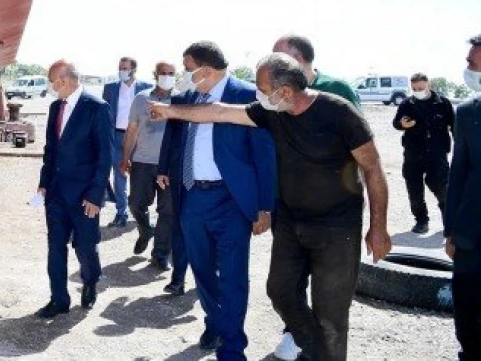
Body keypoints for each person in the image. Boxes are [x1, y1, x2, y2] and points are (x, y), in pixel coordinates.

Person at [153, 52, 392, 361]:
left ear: (285, 92)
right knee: (280, 292)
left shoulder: (339, 113)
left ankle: (326, 354)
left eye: (263, 89)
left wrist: (378, 226)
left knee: (331, 310)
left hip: (336, 228)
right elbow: (220, 112)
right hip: (291, 223)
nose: (258, 94)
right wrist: (170, 111)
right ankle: (319, 351)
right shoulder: (272, 112)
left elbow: (372, 168)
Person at [155, 42, 276, 360]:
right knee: (202, 271)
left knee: (233, 276)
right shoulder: (189, 98)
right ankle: (216, 323)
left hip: (231, 200)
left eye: (187, 68)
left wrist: (265, 206)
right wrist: (166, 171)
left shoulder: (248, 96)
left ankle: (233, 349)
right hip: (193, 197)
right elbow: (177, 141)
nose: (183, 75)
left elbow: (264, 155)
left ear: (205, 71)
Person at [270, 34, 360, 360]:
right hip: (290, 207)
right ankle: (297, 333)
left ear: (301, 60)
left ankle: (322, 347)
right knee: (286, 283)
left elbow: (360, 151)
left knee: (328, 293)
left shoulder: (338, 91)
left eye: (280, 58)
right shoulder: (275, 97)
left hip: (333, 217)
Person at [36, 59, 113, 317]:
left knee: (85, 246)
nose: (51, 87)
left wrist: (95, 196)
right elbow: (51, 151)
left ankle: (90, 281)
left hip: (84, 196)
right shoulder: (55, 107)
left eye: (52, 82)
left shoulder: (97, 108)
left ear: (63, 80)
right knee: (55, 247)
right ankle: (59, 299)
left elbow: (104, 157)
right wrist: (43, 185)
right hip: (56, 193)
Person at [120, 61, 178, 270]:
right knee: (135, 203)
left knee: (168, 211)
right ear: (155, 74)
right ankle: (145, 230)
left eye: (171, 73)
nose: (167, 76)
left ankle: (160, 254)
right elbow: (132, 129)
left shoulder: (180, 101)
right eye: (163, 73)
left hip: (170, 166)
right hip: (143, 162)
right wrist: (125, 157)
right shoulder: (141, 98)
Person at [446, 34, 481, 360]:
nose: (467, 68)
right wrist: (450, 230)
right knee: (468, 313)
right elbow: (458, 174)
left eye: (472, 62)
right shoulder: (468, 112)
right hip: (471, 235)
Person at [393, 72, 454, 234]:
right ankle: (421, 221)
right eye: (414, 88)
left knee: (442, 187)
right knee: (414, 190)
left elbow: (455, 127)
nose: (418, 90)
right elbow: (396, 123)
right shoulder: (407, 104)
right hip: (413, 153)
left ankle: (449, 221)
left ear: (429, 85)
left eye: (421, 87)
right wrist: (403, 125)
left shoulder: (443, 103)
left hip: (437, 153)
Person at [102, 56, 152, 227]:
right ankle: (121, 213)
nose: (121, 71)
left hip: (139, 137)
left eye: (125, 68)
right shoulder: (110, 88)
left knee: (140, 175)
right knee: (119, 174)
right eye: (120, 67)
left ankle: (142, 214)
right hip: (116, 136)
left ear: (133, 70)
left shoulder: (146, 88)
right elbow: (105, 113)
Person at [273, 34, 360, 108]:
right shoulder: (278, 93)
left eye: (278, 58)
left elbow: (358, 125)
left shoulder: (338, 89)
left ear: (298, 58)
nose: (272, 64)